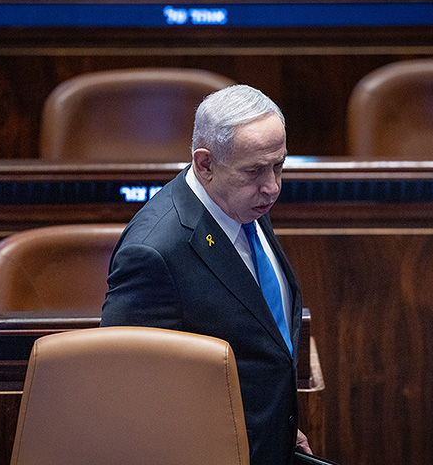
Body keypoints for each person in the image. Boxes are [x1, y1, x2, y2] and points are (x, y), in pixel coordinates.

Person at [100, 84, 311, 465]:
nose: (272, 186)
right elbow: (128, 394)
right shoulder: (152, 253)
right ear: (205, 165)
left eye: (279, 166)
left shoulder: (242, 203)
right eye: (255, 171)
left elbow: (260, 344)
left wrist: (278, 426)